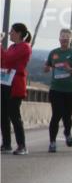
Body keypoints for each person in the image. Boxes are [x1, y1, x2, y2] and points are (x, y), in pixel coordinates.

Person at [43, 28, 72, 152]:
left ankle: (67, 133)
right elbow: (47, 66)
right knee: (56, 115)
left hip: (71, 90)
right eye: (63, 36)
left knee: (67, 116)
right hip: (56, 89)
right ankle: (52, 143)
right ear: (59, 38)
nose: (64, 39)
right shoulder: (54, 53)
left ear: (70, 39)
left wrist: (70, 70)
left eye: (67, 37)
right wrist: (46, 68)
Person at [1, 23, 33, 154]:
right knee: (3, 115)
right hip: (5, 82)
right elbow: (3, 61)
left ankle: (22, 145)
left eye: (12, 31)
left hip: (16, 84)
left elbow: (8, 58)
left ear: (19, 33)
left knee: (14, 115)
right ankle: (7, 143)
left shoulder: (25, 47)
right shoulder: (12, 46)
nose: (10, 34)